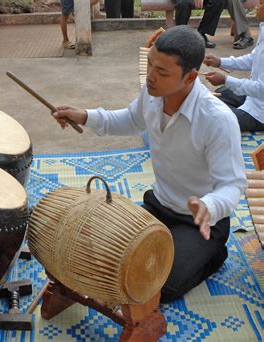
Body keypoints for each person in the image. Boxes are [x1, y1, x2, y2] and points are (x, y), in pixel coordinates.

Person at [52, 25, 247, 303]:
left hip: (200, 222)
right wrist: (84, 116)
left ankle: (212, 253)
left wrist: (210, 205)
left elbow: (232, 184)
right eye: (151, 65)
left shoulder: (217, 120)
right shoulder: (153, 95)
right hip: (158, 206)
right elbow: (130, 120)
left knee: (156, 286)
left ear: (191, 76)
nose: (151, 77)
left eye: (162, 72)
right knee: (108, 256)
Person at [204, 0, 263, 132]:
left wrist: (226, 79)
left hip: (261, 114)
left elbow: (261, 88)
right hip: (255, 99)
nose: (256, 6)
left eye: (261, 4)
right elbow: (252, 59)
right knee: (218, 94)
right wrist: (219, 62)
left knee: (214, 117)